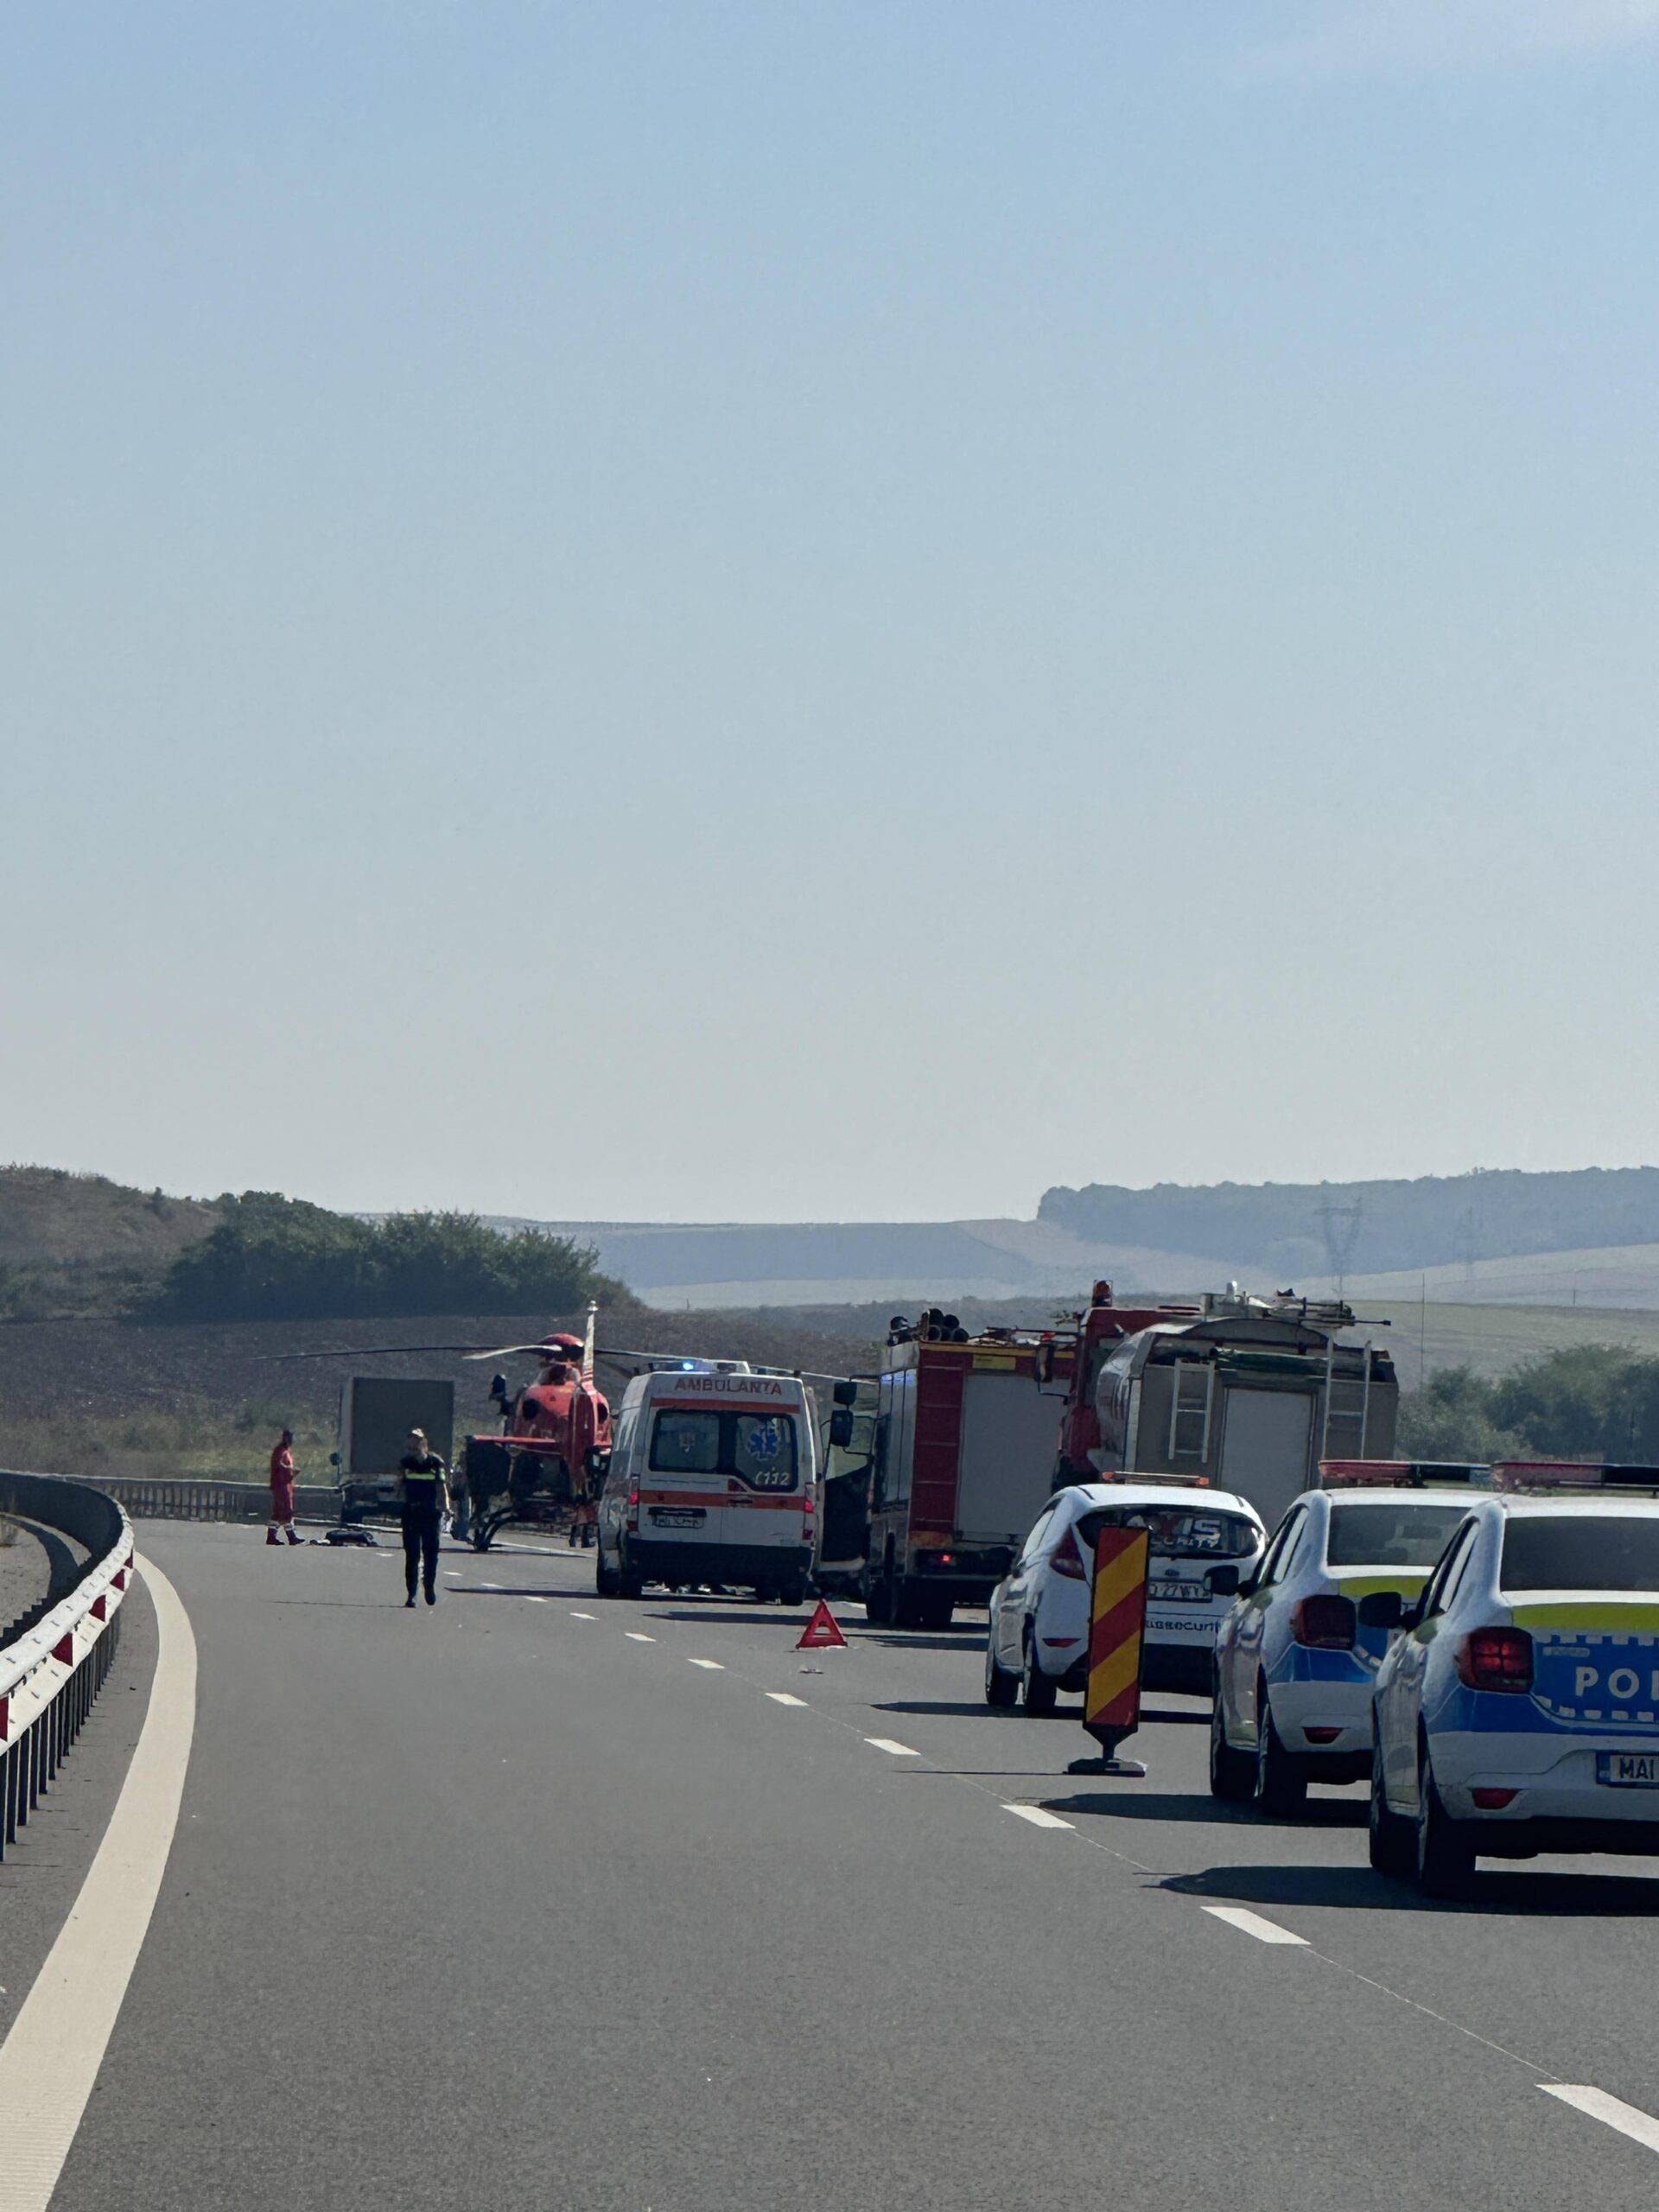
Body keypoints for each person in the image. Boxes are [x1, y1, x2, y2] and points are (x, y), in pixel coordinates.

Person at [397, 1427, 448, 1608]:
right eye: (410, 1442)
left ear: (423, 1444)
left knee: (431, 1553)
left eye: (416, 1442)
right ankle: (412, 1593)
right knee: (412, 1554)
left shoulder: (435, 1463)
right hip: (411, 1512)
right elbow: (400, 1485)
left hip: (430, 1513)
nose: (413, 1446)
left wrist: (446, 1507)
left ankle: (429, 1586)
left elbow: (442, 1487)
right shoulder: (405, 1463)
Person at [268, 1429, 302, 1548]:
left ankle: (271, 1536)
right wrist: (290, 1469)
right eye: (290, 1438)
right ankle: (291, 1537)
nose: (292, 1440)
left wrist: (292, 1473)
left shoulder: (287, 1451)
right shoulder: (280, 1451)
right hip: (281, 1485)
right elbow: (278, 1464)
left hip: (286, 1484)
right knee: (287, 1511)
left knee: (278, 1513)